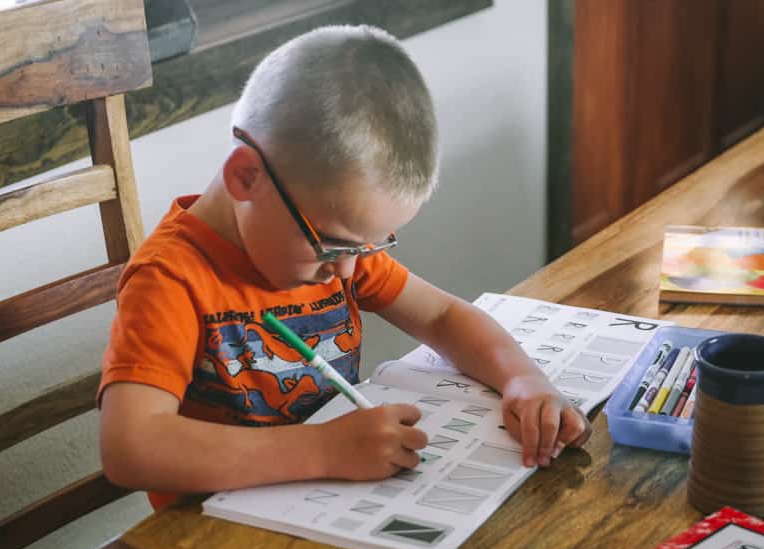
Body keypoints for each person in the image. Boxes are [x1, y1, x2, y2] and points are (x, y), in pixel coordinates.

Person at [98, 25, 590, 510]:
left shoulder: (337, 254)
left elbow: (441, 317)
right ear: (246, 177)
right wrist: (323, 449)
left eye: (370, 248)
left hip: (332, 510)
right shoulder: (170, 279)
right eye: (334, 246)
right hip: (213, 545)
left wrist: (522, 378)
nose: (349, 272)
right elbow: (131, 448)